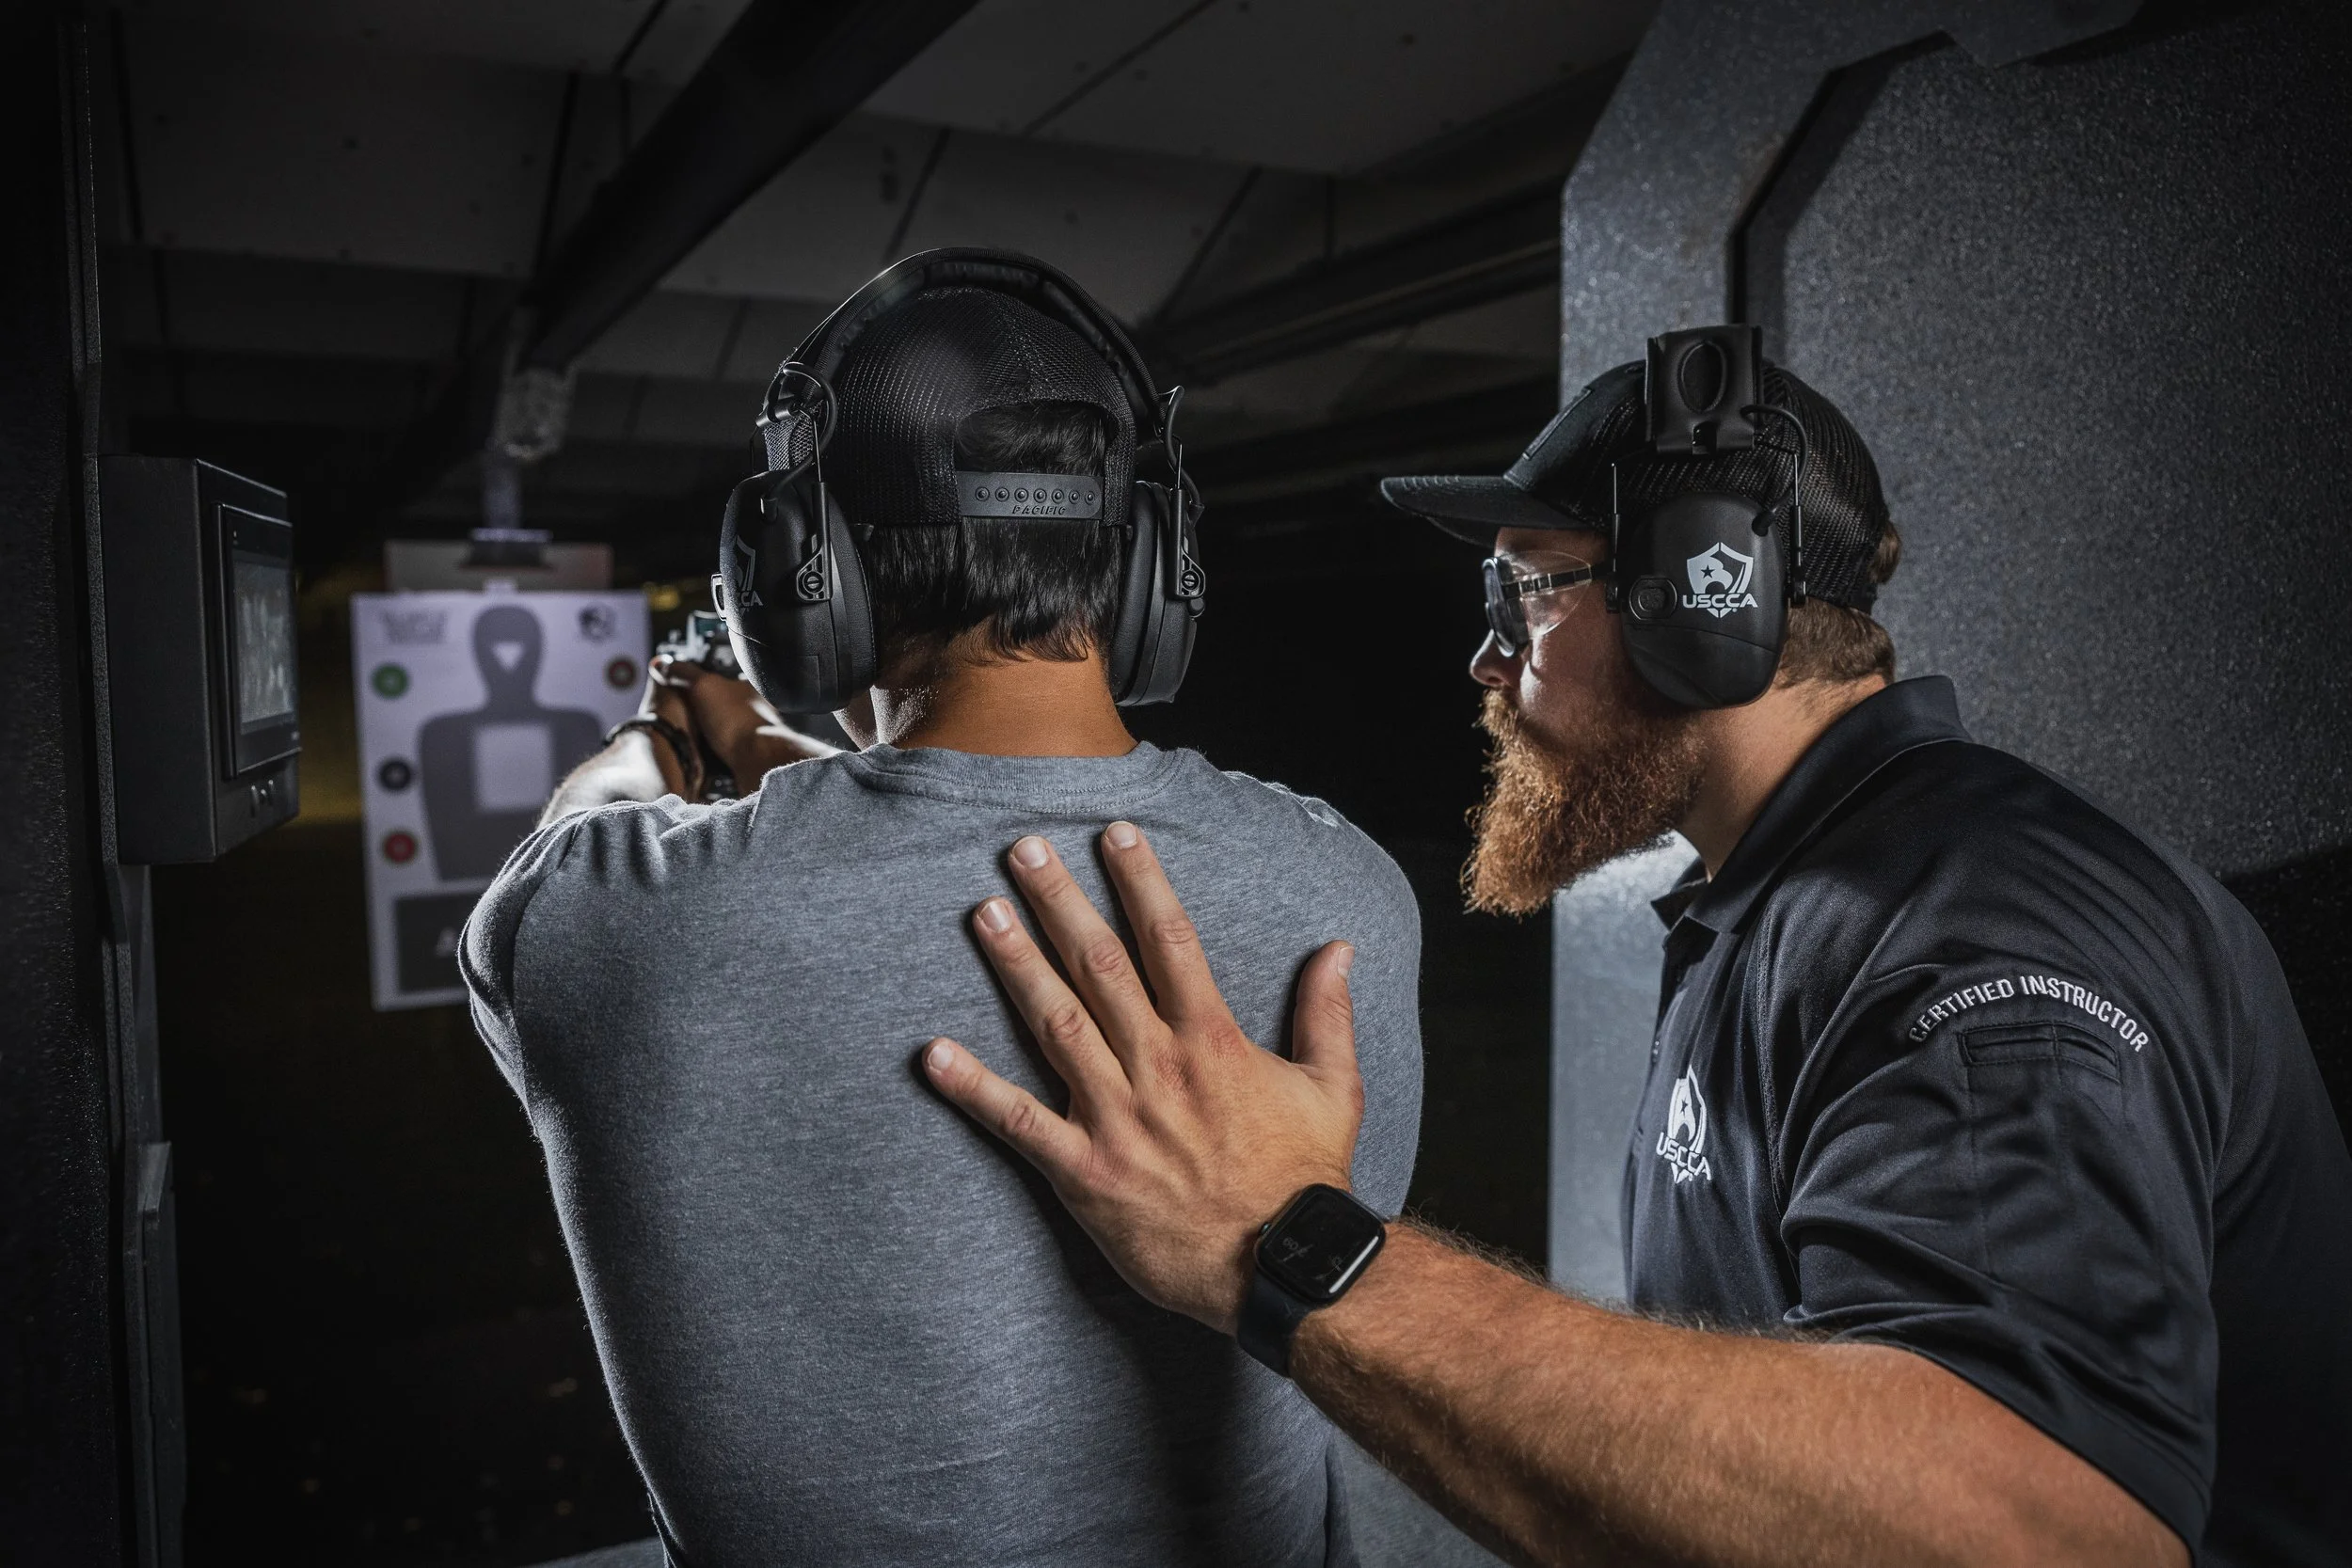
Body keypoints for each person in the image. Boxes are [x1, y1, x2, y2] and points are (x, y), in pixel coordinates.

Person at [917, 349, 2352, 1567]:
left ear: (1701, 602)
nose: (1488, 664)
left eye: (1530, 593)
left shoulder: (1971, 929)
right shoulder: (1799, 896)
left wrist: (1283, 1243)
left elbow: (2040, 1524)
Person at [459, 266, 1425, 1566]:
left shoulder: (602, 928)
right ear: (1147, 569)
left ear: (798, 581)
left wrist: (665, 741)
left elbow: (570, 841)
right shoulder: (1352, 887)